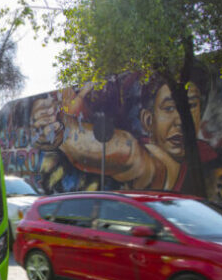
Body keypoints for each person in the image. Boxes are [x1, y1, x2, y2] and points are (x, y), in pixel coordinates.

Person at [31, 72, 212, 192]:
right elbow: (128, 154)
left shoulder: (209, 155)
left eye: (191, 106)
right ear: (148, 120)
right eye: (169, 108)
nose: (180, 121)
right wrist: (63, 128)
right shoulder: (152, 162)